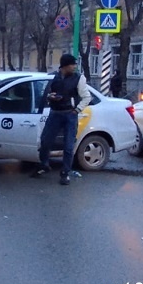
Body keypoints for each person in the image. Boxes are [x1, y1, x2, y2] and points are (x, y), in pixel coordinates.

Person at [31, 53, 91, 185]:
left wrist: (77, 110)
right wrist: (50, 97)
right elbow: (44, 93)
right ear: (65, 66)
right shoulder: (54, 77)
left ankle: (65, 173)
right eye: (72, 64)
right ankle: (44, 165)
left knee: (68, 145)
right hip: (55, 113)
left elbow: (87, 97)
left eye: (75, 64)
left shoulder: (79, 78)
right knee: (45, 141)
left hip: (70, 114)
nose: (75, 66)